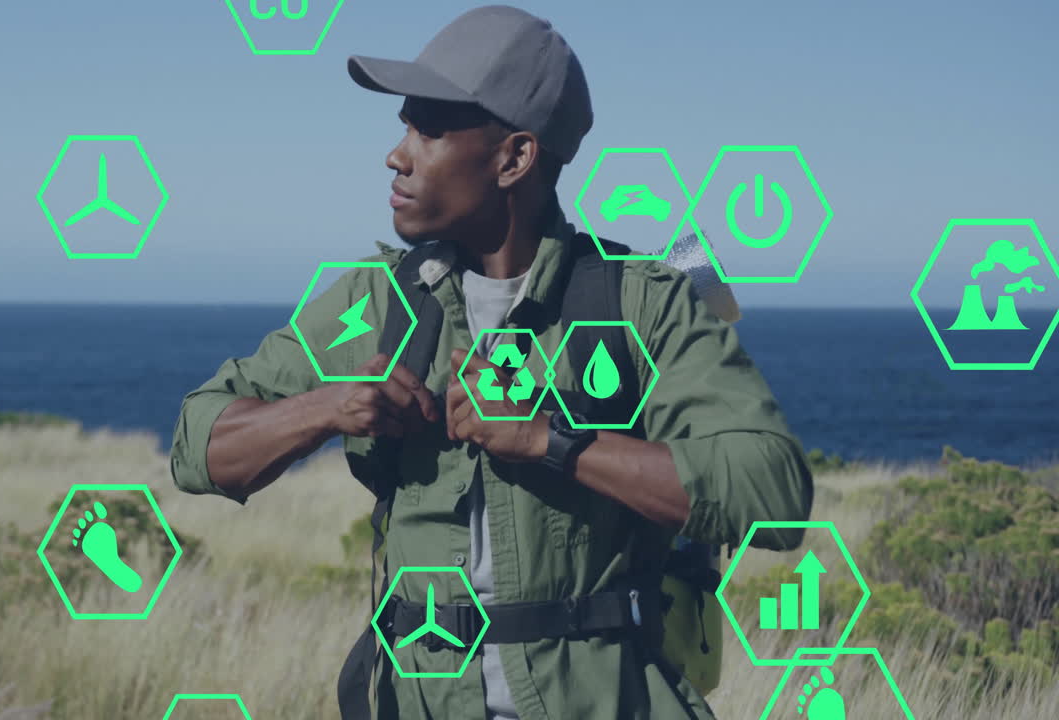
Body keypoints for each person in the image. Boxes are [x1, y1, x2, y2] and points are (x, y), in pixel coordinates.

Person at [170, 5, 814, 719]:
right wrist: (329, 407)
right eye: (404, 126)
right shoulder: (374, 300)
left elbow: (774, 499)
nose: (398, 154)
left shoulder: (642, 301)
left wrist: (552, 443)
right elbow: (199, 446)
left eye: (431, 129)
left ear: (514, 158)